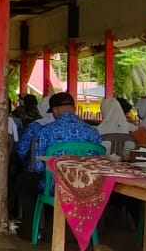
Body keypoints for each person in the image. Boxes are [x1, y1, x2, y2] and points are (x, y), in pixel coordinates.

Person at [13, 93, 103, 238]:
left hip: (57, 186)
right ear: (74, 108)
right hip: (86, 185)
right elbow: (98, 161)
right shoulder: (93, 131)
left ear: (54, 111)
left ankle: (29, 228)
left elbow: (39, 166)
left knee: (23, 180)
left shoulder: (46, 131)